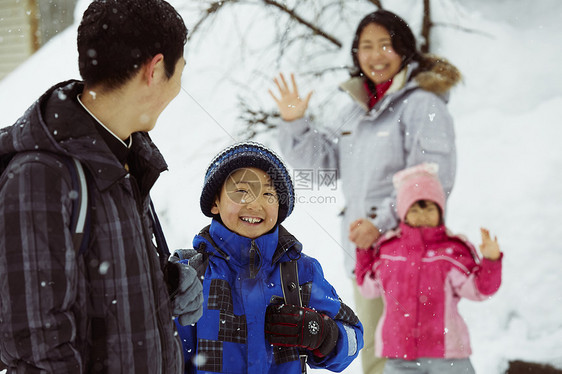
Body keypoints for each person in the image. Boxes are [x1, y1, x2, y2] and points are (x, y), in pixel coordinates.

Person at [0, 0, 203, 372]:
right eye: (180, 71)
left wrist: (164, 285)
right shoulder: (40, 177)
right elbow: (38, 351)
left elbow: (98, 297)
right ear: (155, 70)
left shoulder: (123, 155)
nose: (179, 85)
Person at [269, 9, 461, 374]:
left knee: (414, 360)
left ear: (404, 50)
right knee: (376, 358)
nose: (375, 55)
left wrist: (381, 222)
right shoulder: (356, 112)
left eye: (385, 45)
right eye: (366, 46)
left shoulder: (423, 104)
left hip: (413, 257)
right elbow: (324, 169)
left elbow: (433, 178)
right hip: (367, 259)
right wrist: (295, 124)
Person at [172, 141, 364, 373]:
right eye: (241, 191)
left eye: (268, 193)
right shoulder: (190, 275)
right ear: (215, 201)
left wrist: (323, 333)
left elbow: (354, 338)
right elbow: (163, 354)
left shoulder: (301, 272)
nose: (255, 203)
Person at [354, 163, 502, 374]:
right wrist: (363, 251)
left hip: (447, 356)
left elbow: (479, 290)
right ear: (403, 213)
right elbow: (368, 288)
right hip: (399, 355)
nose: (422, 215)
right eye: (414, 209)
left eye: (429, 208)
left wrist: (491, 261)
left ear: (440, 211)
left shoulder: (452, 252)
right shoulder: (388, 251)